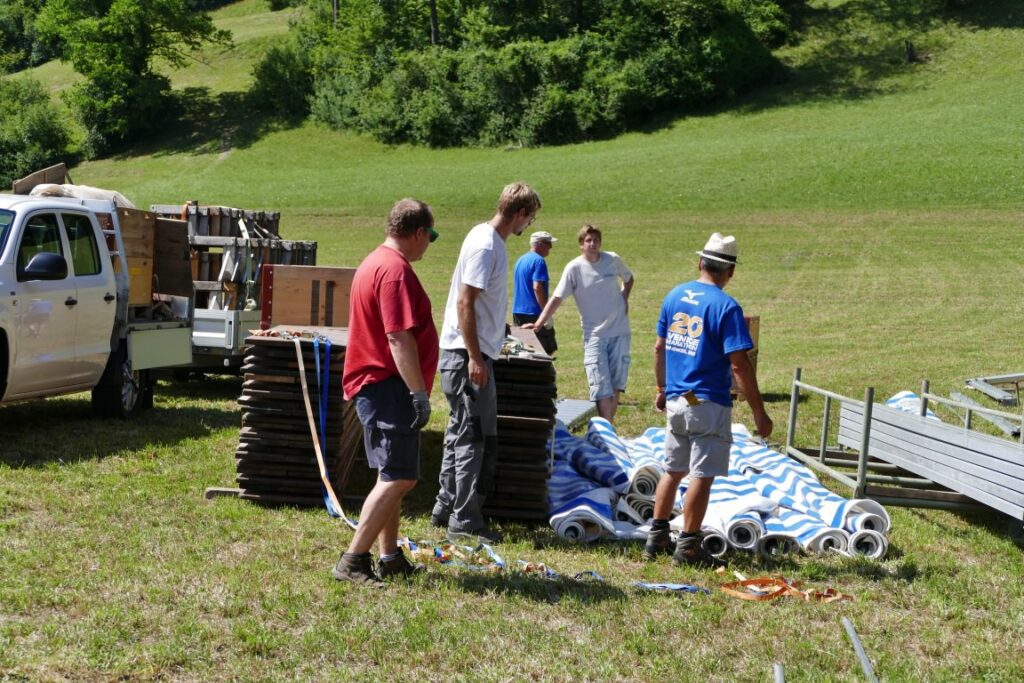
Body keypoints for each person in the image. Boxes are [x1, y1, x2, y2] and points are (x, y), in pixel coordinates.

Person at [644, 232, 773, 568]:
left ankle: (655, 536)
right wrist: (759, 411)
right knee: (702, 473)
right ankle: (688, 545)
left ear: (700, 262)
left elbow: (659, 348)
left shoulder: (674, 296)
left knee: (672, 469)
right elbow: (739, 365)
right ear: (730, 272)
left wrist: (661, 388)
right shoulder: (726, 307)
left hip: (676, 398)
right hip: (707, 402)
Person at [333, 199, 440, 586]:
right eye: (432, 236)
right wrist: (418, 393)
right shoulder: (394, 272)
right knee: (399, 477)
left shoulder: (375, 262)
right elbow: (397, 336)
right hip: (387, 385)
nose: (430, 243)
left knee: (391, 472)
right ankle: (353, 560)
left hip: (380, 385)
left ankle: (390, 557)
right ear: (418, 233)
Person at [431, 182, 542, 543]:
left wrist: (501, 331)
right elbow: (466, 302)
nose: (529, 225)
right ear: (521, 214)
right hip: (466, 356)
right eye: (531, 218)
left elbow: (481, 304)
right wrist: (476, 357)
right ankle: (463, 521)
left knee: (459, 432)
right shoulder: (485, 244)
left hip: (469, 351)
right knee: (472, 439)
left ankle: (443, 507)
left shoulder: (488, 239)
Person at [525, 224, 634, 422]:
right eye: (588, 241)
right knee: (600, 385)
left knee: (617, 383)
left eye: (596, 240)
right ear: (581, 245)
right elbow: (557, 298)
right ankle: (607, 430)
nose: (593, 244)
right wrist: (539, 323)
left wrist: (624, 297)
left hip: (619, 331)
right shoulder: (574, 268)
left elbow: (628, 278)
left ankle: (608, 429)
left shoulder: (613, 260)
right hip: (594, 335)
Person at [512, 230, 559, 356]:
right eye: (549, 244)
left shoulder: (521, 260)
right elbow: (537, 287)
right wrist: (546, 312)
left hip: (518, 311)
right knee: (545, 350)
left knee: (523, 351)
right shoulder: (539, 261)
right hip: (534, 313)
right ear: (540, 244)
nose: (551, 248)